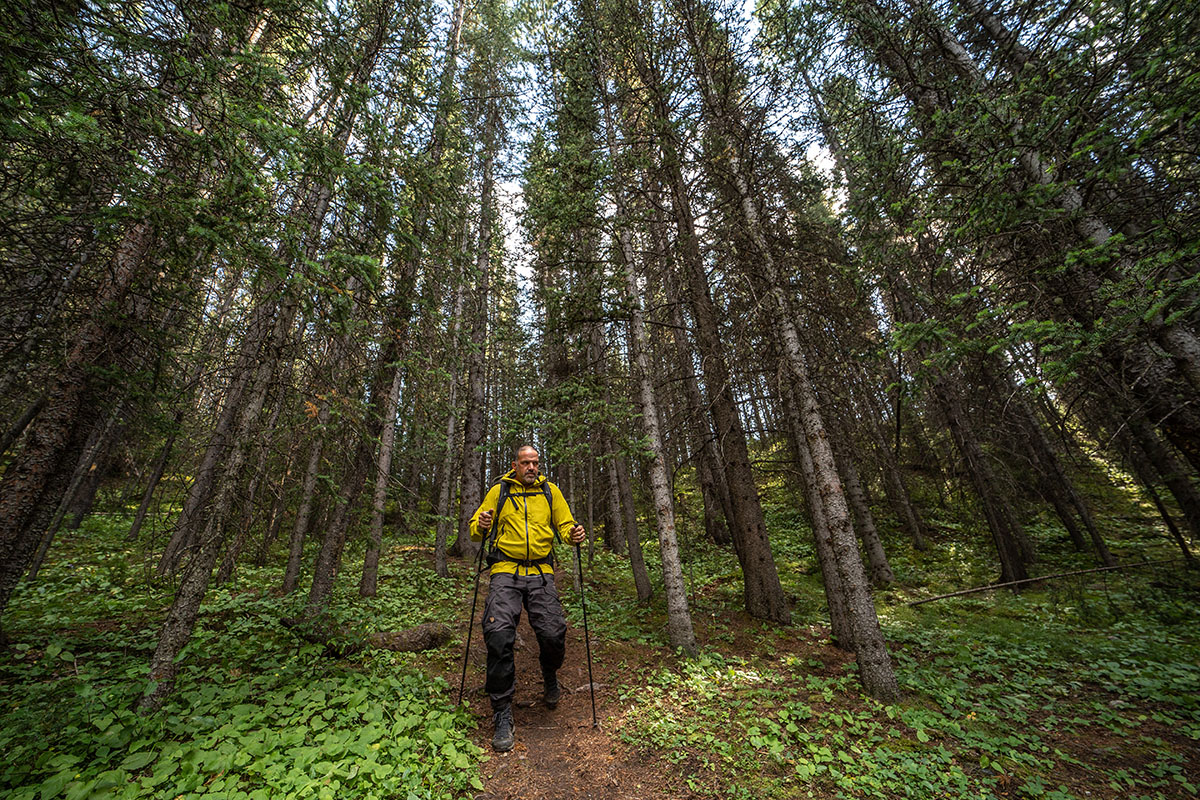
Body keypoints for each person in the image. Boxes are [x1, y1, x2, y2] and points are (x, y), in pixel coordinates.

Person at [470, 444, 586, 752]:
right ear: (515, 465)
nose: (531, 467)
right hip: (505, 569)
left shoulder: (551, 492)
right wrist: (480, 524)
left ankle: (549, 671)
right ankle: (502, 711)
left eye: (535, 462)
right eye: (526, 463)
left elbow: (564, 525)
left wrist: (573, 533)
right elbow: (475, 528)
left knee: (553, 634)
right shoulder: (500, 491)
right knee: (497, 634)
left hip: (540, 571)